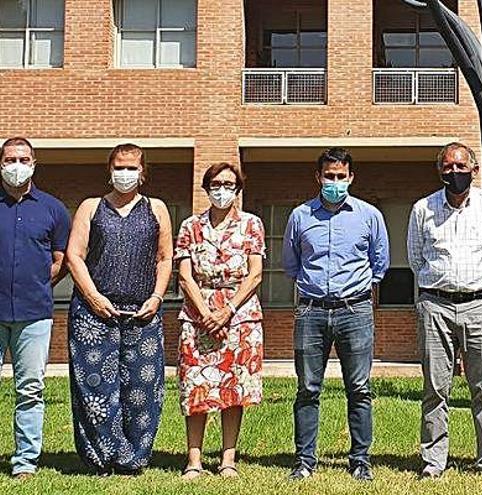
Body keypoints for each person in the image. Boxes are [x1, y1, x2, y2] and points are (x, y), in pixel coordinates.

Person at [282, 147, 389, 482]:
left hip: (355, 311)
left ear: (351, 177)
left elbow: (379, 263)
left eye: (341, 177)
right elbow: (290, 264)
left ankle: (360, 460)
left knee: (359, 388)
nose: (335, 182)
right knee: (308, 389)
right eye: (329, 176)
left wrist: (356, 292)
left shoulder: (369, 215)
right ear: (318, 177)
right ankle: (304, 461)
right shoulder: (300, 216)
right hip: (311, 311)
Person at [66, 143, 173, 474]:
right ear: (109, 170)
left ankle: (135, 457)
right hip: (93, 314)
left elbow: (165, 257)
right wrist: (94, 297)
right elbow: (74, 256)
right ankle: (103, 457)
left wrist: (156, 297)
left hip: (143, 314)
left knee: (142, 389)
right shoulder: (90, 207)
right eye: (119, 167)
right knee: (95, 387)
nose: (124, 173)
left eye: (132, 168)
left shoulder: (156, 208)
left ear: (143, 172)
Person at [407, 142, 482, 479]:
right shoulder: (423, 208)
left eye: (461, 167)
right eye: (448, 167)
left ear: (474, 170)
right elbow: (416, 258)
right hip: (436, 305)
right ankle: (434, 461)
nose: (455, 173)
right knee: (435, 388)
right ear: (440, 171)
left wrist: (479, 285)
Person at [175, 162, 265, 479]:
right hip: (197, 314)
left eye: (229, 184)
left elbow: (255, 274)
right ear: (206, 187)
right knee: (196, 387)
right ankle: (194, 460)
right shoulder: (189, 226)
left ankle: (228, 459)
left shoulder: (252, 224)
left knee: (233, 388)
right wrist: (205, 313)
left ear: (238, 189)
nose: (222, 190)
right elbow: (185, 277)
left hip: (240, 317)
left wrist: (227, 310)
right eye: (216, 183)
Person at [0, 137, 70, 478]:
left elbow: (60, 261)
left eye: (23, 159)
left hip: (35, 315)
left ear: (34, 163)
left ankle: (25, 461)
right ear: (1, 164)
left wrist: (37, 286)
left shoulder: (53, 209)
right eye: (10, 159)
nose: (16, 165)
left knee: (30, 390)